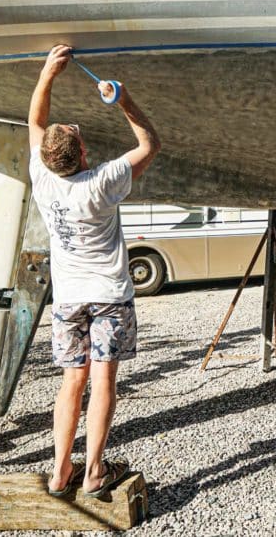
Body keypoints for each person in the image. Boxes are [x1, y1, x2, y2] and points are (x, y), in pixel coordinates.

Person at [27, 44, 161, 496]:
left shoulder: (43, 180)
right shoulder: (103, 183)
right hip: (109, 295)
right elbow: (150, 144)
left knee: (72, 382)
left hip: (67, 299)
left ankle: (60, 470)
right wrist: (123, 100)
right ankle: (95, 472)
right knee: (103, 379)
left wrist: (47, 74)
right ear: (84, 151)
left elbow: (35, 124)